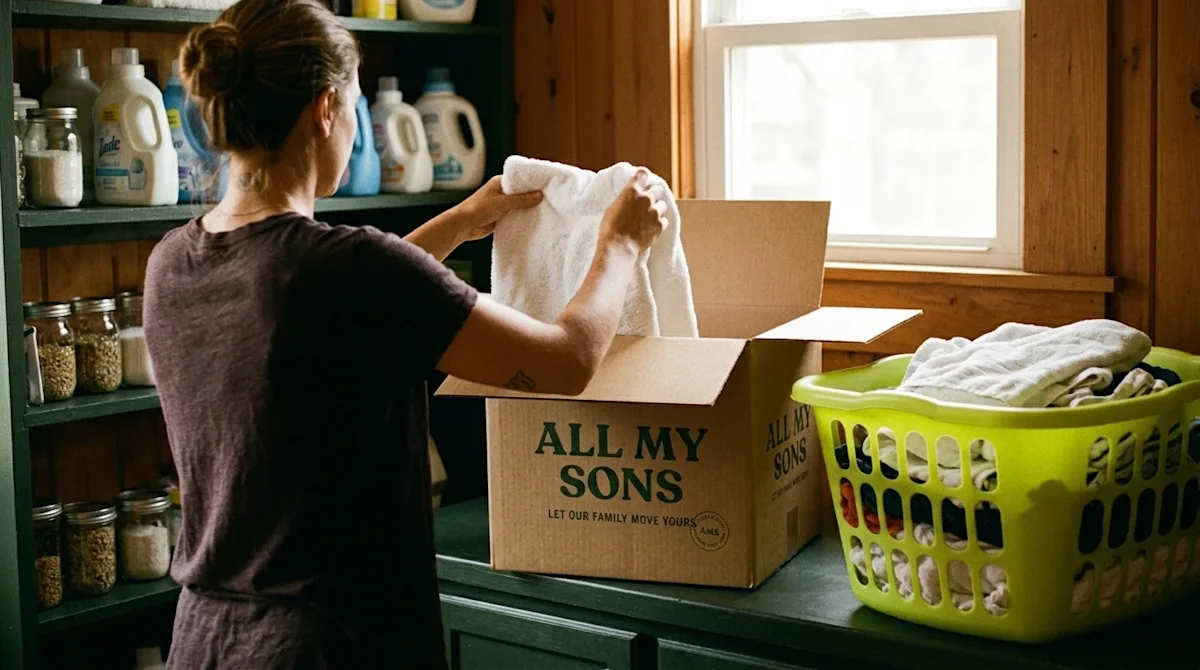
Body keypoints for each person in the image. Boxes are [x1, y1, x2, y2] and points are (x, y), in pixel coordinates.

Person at [143, 0, 668, 667]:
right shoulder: (350, 268)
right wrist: (619, 245)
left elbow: (337, 311)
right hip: (329, 645)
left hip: (203, 640)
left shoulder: (174, 262)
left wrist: (462, 219)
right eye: (356, 109)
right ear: (325, 109)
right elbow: (565, 362)